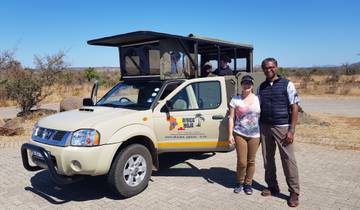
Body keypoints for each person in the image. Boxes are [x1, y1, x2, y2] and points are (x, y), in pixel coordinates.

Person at [257, 57, 300, 207]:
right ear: (263, 70)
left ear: (276, 67)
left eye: (271, 67)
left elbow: (295, 107)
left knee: (288, 160)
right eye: (266, 68)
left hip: (282, 127)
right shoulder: (261, 87)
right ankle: (272, 186)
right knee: (268, 159)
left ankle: (294, 192)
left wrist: (291, 130)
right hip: (265, 126)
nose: (269, 70)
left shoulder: (287, 84)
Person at [228, 75, 260, 195]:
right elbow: (231, 118)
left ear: (252, 85)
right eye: (244, 83)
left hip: (255, 135)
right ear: (241, 85)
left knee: (251, 161)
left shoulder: (258, 99)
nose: (247, 85)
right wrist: (230, 134)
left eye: (249, 83)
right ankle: (239, 182)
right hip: (240, 133)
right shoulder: (235, 100)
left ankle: (248, 184)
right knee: (242, 161)